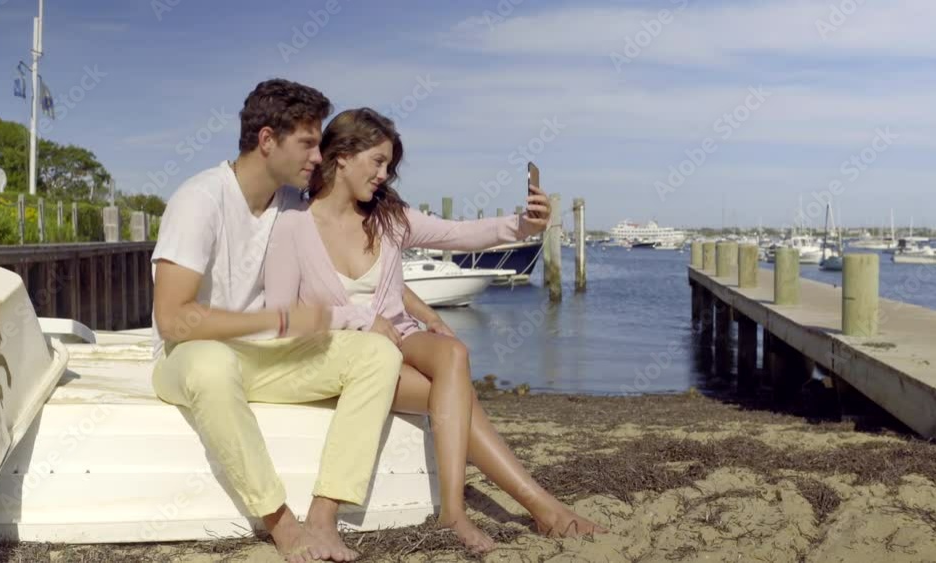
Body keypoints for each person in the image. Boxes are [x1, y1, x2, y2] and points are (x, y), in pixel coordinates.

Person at [264, 108, 606, 554]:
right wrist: (360, 319)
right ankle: (539, 507)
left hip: (400, 341)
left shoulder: (390, 219)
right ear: (342, 156)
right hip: (337, 357)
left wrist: (523, 225)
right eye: (378, 161)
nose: (385, 175)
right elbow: (281, 317)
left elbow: (459, 234)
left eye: (390, 165)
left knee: (453, 355)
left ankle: (458, 512)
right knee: (453, 397)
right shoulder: (293, 226)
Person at [151, 81, 404, 563]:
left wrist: (417, 313)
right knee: (210, 366)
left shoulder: (293, 204)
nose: (318, 155)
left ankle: (325, 516)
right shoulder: (199, 200)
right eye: (307, 143)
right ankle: (281, 524)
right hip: (189, 356)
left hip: (265, 358)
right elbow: (172, 319)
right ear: (267, 140)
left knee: (377, 353)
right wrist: (281, 318)